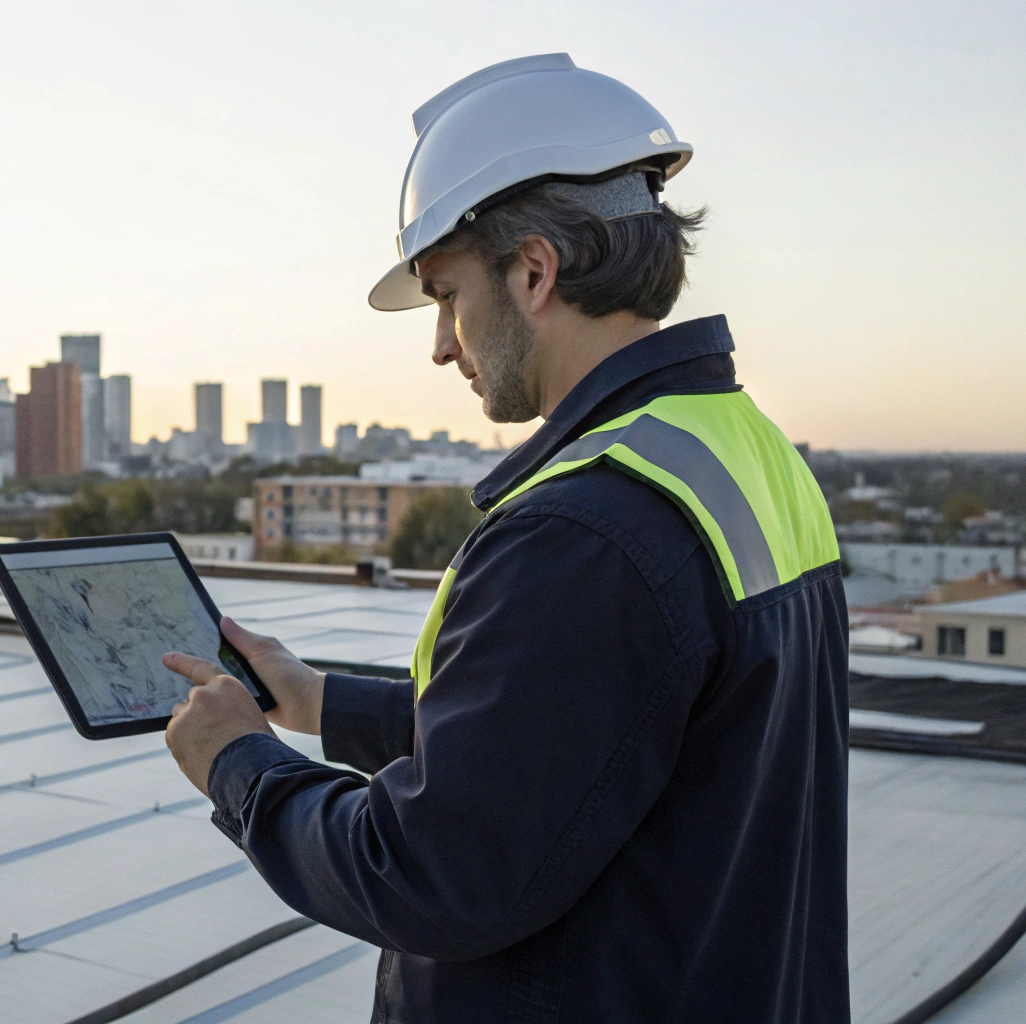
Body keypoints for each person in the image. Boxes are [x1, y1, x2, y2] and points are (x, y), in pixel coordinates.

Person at [161, 54, 850, 1022]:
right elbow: (576, 735)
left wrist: (238, 767)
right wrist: (323, 702)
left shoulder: (582, 532)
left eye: (444, 295)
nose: (440, 342)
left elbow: (427, 872)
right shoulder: (740, 452)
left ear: (532, 271)